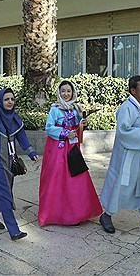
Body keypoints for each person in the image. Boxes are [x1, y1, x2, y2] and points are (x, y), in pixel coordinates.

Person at [99, 75, 140, 236]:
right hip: (128, 156)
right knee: (120, 185)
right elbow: (124, 131)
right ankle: (106, 215)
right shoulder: (126, 108)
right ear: (133, 90)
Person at [0, 88, 39, 240]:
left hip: (10, 161)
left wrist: (31, 153)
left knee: (4, 190)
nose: (10, 102)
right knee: (4, 193)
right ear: (0, 101)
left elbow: (22, 137)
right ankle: (14, 229)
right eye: (6, 99)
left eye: (12, 99)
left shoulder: (15, 118)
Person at [38, 80, 102, 226]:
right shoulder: (55, 109)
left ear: (73, 92)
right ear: (59, 93)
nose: (66, 94)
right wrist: (66, 133)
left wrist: (82, 125)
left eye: (68, 91)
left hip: (72, 149)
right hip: (57, 148)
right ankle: (55, 213)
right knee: (56, 179)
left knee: (75, 179)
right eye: (63, 91)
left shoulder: (76, 109)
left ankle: (77, 213)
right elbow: (49, 128)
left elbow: (78, 127)